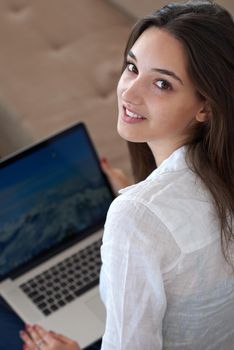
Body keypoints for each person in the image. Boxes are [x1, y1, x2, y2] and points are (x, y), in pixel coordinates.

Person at [20, 0, 234, 349]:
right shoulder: (220, 172)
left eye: (162, 84)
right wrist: (135, 192)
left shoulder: (136, 217)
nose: (129, 93)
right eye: (132, 67)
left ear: (206, 106)